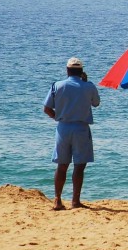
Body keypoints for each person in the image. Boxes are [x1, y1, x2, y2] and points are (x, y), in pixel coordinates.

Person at [42, 57, 100, 211]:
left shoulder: (57, 85)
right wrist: (86, 82)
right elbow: (96, 103)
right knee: (79, 166)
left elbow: (47, 109)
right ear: (81, 71)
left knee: (62, 166)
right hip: (81, 128)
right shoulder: (89, 86)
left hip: (63, 128)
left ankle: (57, 200)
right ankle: (75, 201)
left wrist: (59, 117)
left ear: (67, 71)